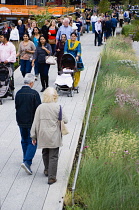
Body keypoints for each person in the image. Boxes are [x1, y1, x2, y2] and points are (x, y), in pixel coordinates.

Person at [31, 87, 68, 185]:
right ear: (55, 96)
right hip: (54, 135)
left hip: (42, 134)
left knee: (45, 152)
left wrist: (33, 136)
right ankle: (52, 177)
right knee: (54, 156)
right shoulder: (58, 107)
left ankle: (47, 170)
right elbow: (66, 120)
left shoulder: (40, 107)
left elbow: (35, 123)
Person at [15, 73, 41, 175]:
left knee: (24, 139)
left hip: (20, 120)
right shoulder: (34, 94)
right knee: (33, 141)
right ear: (31, 83)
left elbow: (17, 106)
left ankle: (25, 157)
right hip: (31, 122)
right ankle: (27, 161)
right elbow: (38, 109)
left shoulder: (18, 93)